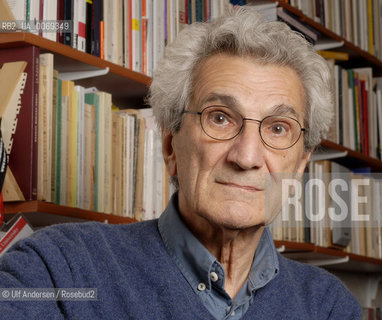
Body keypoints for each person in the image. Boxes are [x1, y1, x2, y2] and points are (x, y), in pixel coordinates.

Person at [0, 7, 361, 319]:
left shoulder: (327, 306)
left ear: (298, 166)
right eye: (220, 118)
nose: (247, 156)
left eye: (278, 128)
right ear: (171, 144)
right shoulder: (58, 269)